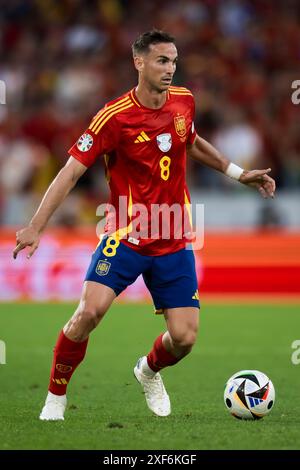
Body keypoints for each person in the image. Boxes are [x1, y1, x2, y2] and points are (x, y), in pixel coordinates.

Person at [13, 30, 276, 421]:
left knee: (185, 338)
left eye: (173, 61)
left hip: (173, 238)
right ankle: (55, 397)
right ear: (139, 63)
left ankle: (148, 371)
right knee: (88, 313)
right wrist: (36, 225)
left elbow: (193, 141)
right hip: (126, 235)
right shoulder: (113, 117)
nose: (170, 68)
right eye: (161, 61)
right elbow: (69, 173)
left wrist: (239, 174)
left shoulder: (184, 101)